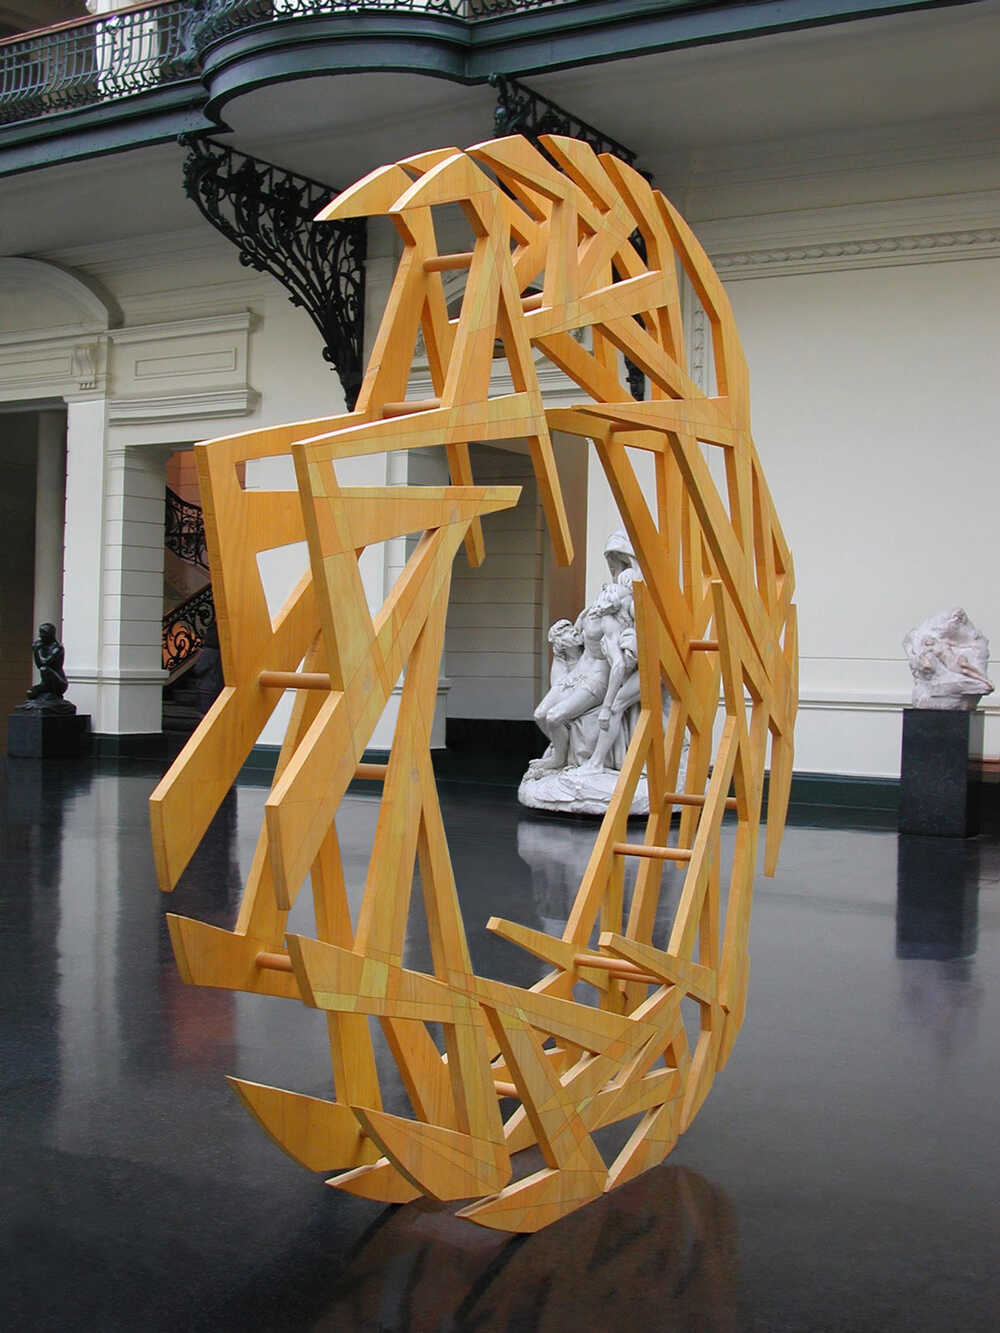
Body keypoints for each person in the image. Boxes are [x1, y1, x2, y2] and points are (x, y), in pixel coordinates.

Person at [26, 623, 68, 701]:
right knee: (30, 693)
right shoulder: (42, 646)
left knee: (44, 669)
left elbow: (44, 662)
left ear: (50, 634)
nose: (40, 636)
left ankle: (52, 695)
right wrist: (37, 649)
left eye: (43, 633)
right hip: (45, 684)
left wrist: (37, 649)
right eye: (40, 632)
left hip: (59, 682)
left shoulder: (57, 648)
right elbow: (38, 665)